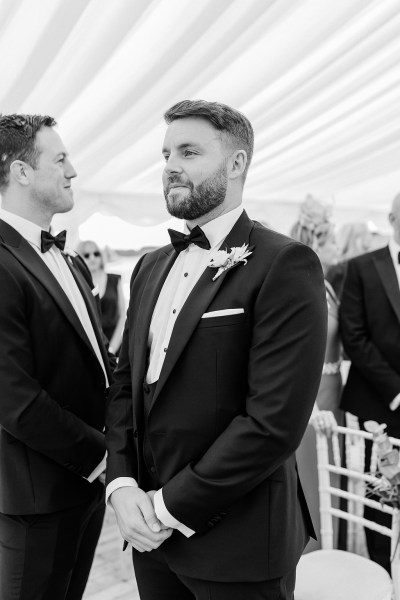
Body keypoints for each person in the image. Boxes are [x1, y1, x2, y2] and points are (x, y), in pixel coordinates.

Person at [105, 99, 327, 600]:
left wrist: (166, 508)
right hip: (149, 543)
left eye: (188, 151)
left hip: (240, 545)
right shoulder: (149, 266)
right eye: (165, 155)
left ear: (236, 163)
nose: (170, 168)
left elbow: (273, 423)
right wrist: (121, 487)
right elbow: (124, 385)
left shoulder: (285, 264)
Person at [0, 114, 115, 599]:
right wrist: (101, 455)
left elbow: (94, 364)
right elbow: (14, 396)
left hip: (86, 491)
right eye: (61, 159)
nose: (73, 172)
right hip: (35, 500)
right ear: (22, 172)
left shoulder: (69, 261)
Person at [340, 192, 400, 573]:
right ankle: (379, 567)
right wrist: (395, 390)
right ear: (393, 218)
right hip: (379, 401)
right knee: (381, 489)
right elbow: (354, 336)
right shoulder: (361, 266)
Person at [290, 195, 343, 553]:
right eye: (333, 237)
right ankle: (310, 568)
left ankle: (331, 557)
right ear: (319, 240)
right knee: (312, 487)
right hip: (312, 404)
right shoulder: (300, 286)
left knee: (332, 482)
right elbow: (291, 358)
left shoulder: (325, 284)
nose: (339, 245)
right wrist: (309, 410)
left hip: (334, 394)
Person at [78, 240, 126, 354]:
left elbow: (122, 315)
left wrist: (112, 348)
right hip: (91, 348)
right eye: (86, 255)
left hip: (116, 344)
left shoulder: (115, 279)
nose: (92, 258)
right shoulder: (78, 283)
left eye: (96, 253)